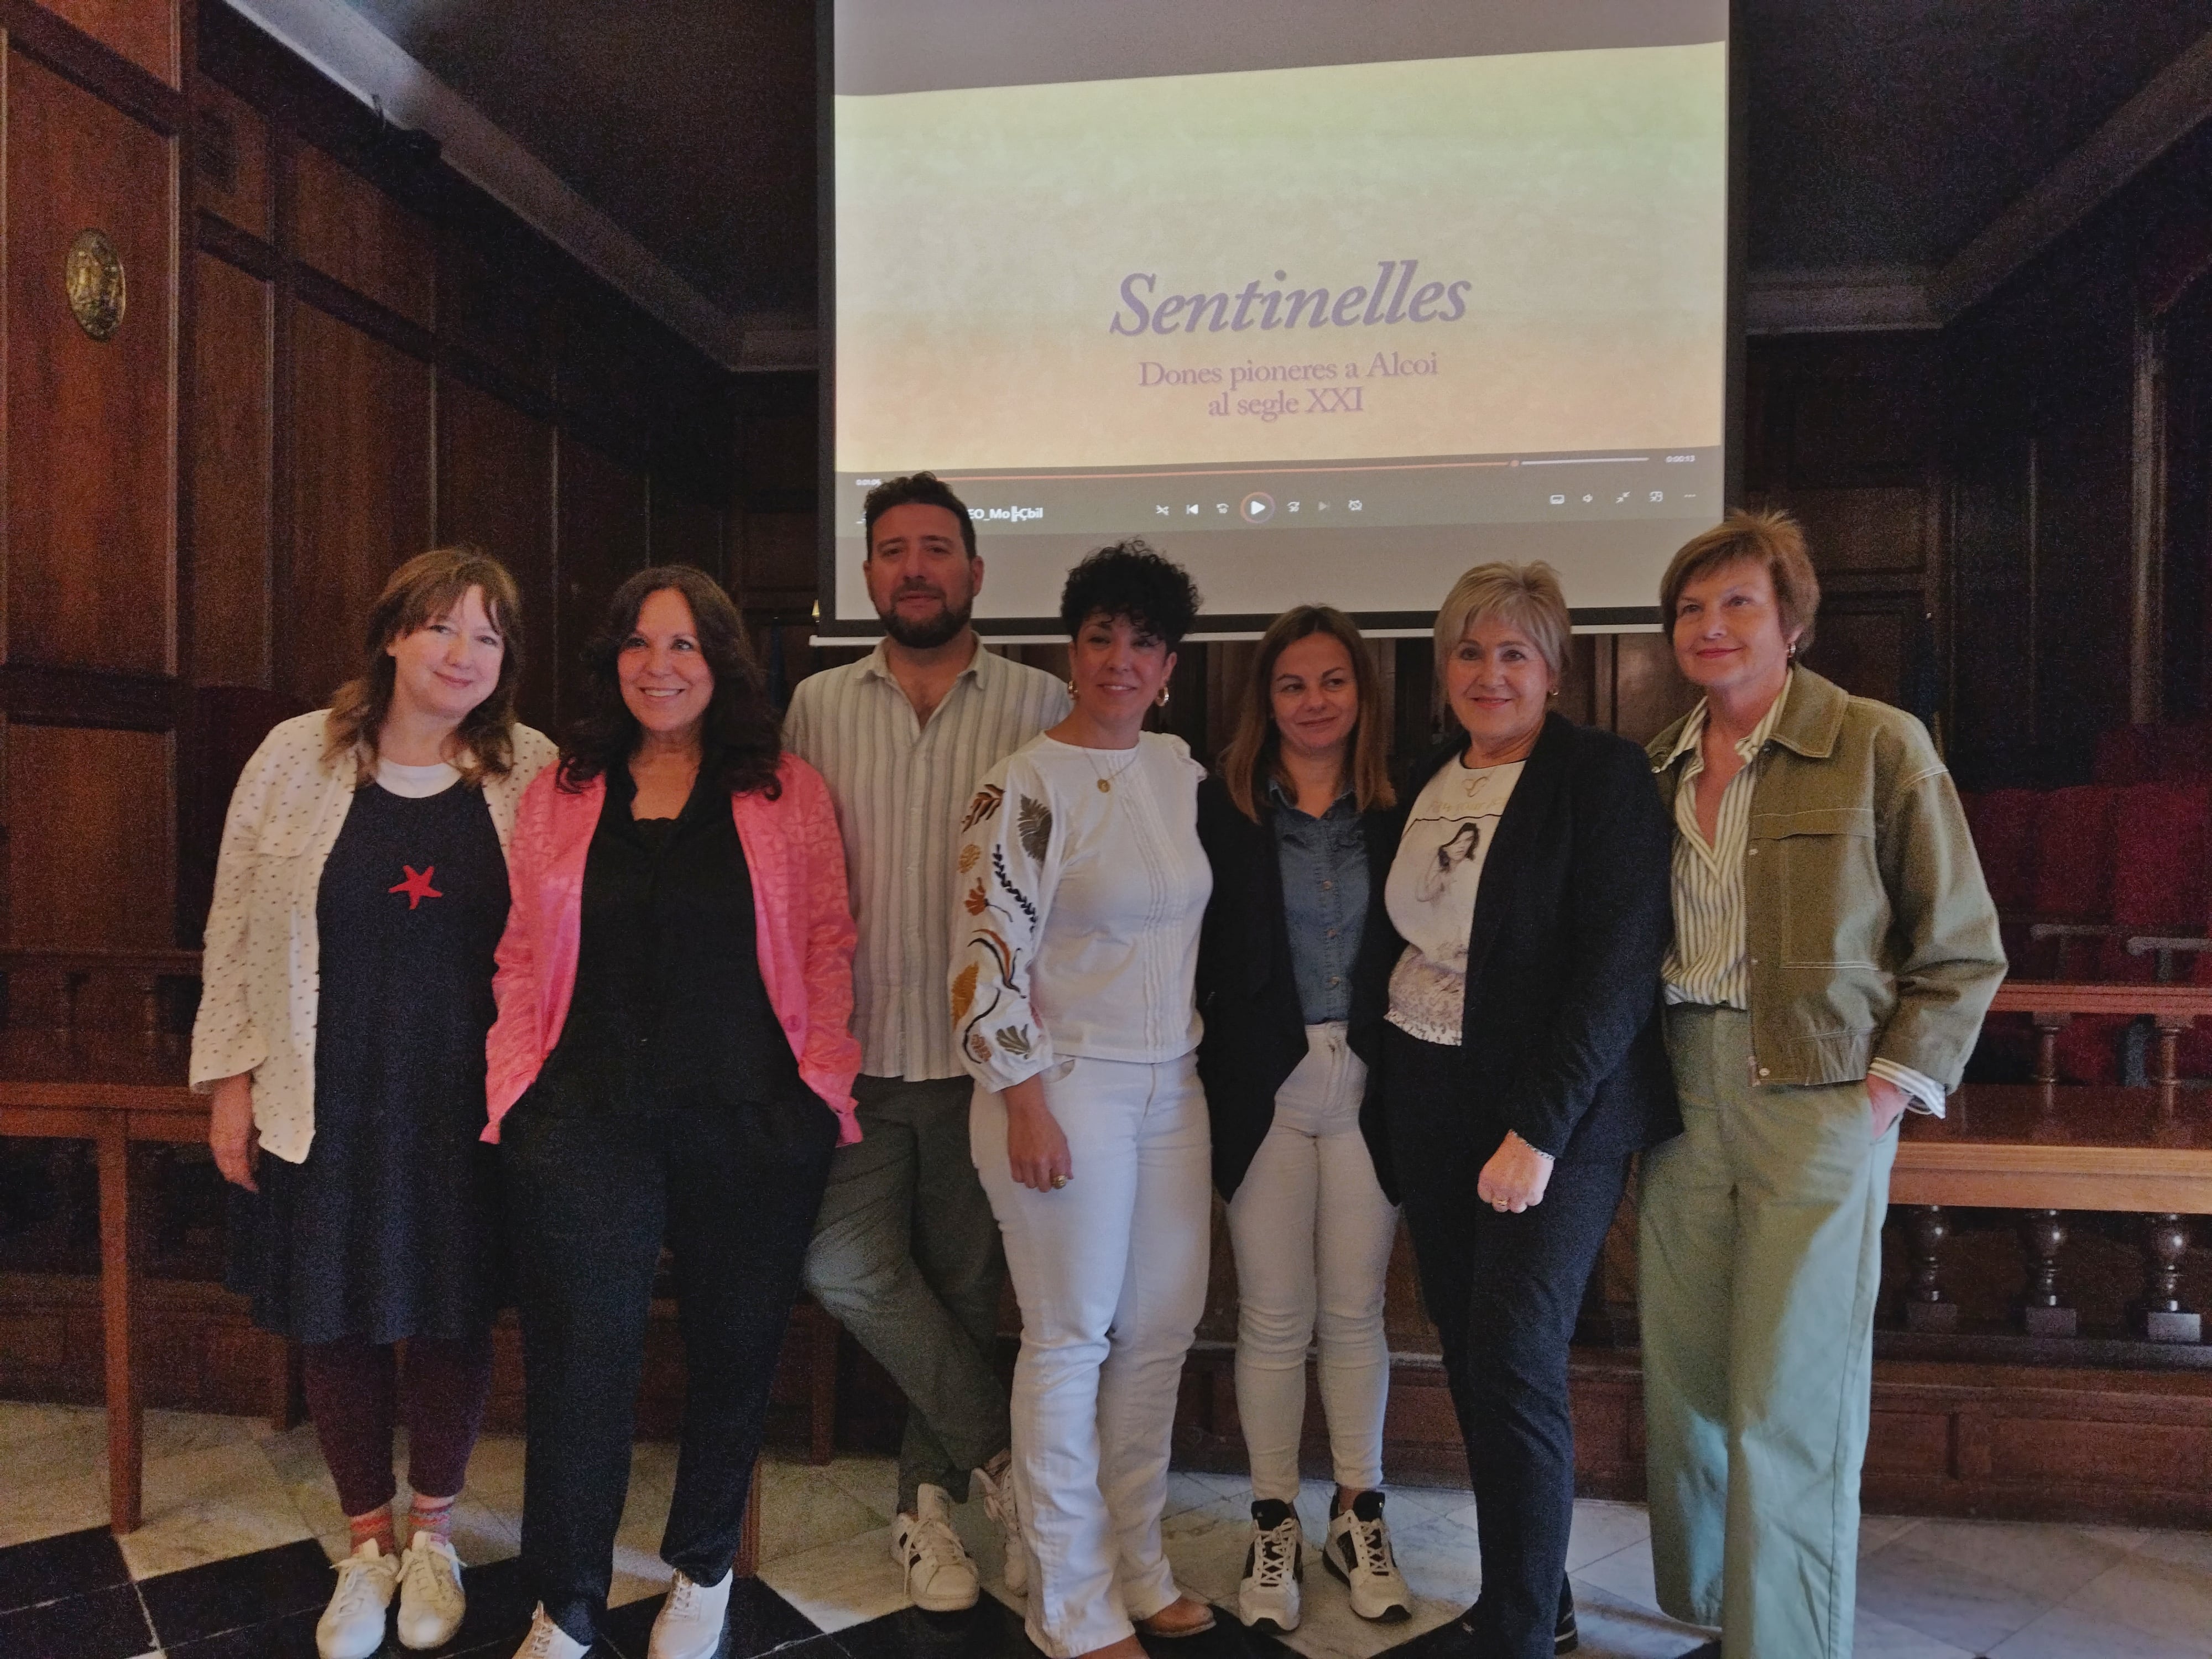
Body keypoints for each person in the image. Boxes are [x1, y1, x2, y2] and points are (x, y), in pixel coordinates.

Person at [1637, 512, 2003, 1659]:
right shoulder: (1653, 766)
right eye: (1691, 609)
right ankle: (1714, 1609)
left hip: (1816, 1095)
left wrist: (1881, 1095)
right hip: (1678, 1096)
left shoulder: (1876, 744)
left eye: (1737, 602)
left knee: (1786, 1396)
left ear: (1790, 623)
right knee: (1687, 1379)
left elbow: (1961, 946)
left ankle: (1782, 1642)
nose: (1711, 625)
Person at [486, 567, 862, 1659]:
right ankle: (569, 1602)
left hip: (749, 1115)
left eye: (687, 646)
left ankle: (701, 1568)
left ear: (723, 664)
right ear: (613, 661)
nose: (662, 666)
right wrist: (517, 1082)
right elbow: (520, 949)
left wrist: (816, 1089)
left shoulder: (785, 788)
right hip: (584, 1115)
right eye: (642, 645)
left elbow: (828, 941)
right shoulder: (559, 790)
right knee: (578, 1360)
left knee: (735, 1347)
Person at [194, 549, 556, 1659]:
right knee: (335, 1314)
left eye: (487, 636)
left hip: (467, 1099)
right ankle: (366, 1547)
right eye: (442, 627)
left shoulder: (531, 768)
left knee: (449, 1315)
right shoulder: (295, 758)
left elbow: (562, 940)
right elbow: (239, 929)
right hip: (325, 1088)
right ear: (393, 635)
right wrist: (234, 1081)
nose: (462, 653)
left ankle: (434, 1538)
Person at [1368, 562, 1678, 1659]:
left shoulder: (1597, 775)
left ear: (1551, 668)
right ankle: (1532, 1606)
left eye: (1512, 652)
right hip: (1427, 1094)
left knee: (1510, 1359)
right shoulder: (1424, 775)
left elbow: (1615, 969)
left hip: (1553, 1119)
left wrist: (1539, 1130)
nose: (1488, 673)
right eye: (1467, 650)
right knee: (1466, 1351)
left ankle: (1510, 1637)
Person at [785, 472, 1067, 1609]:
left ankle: (927, 1513)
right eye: (893, 549)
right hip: (850, 1058)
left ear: (974, 573)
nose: (914, 567)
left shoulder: (1040, 703)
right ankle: (1011, 1460)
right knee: (841, 1265)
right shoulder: (813, 707)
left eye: (936, 549)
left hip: (980, 1067)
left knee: (958, 1289)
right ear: (866, 575)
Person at [951, 542, 1215, 1659]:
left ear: (1168, 664)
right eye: (1100, 636)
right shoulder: (1022, 784)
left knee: (1157, 1333)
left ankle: (1138, 1563)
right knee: (1068, 1341)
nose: (1120, 659)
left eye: (1143, 642)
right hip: (1060, 1088)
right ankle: (1067, 1598)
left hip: (1174, 1084)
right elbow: (980, 957)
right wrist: (1023, 1097)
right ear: (1072, 649)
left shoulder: (1175, 768)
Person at [1194, 606, 1410, 1633]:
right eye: (1293, 684)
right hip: (1264, 1090)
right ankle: (1273, 1515)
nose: (1314, 701)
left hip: (1370, 1082)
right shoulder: (1220, 810)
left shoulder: (1403, 807)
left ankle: (1359, 1511)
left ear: (1361, 693)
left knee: (1357, 1312)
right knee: (1274, 1317)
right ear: (1264, 699)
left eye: (1333, 681)